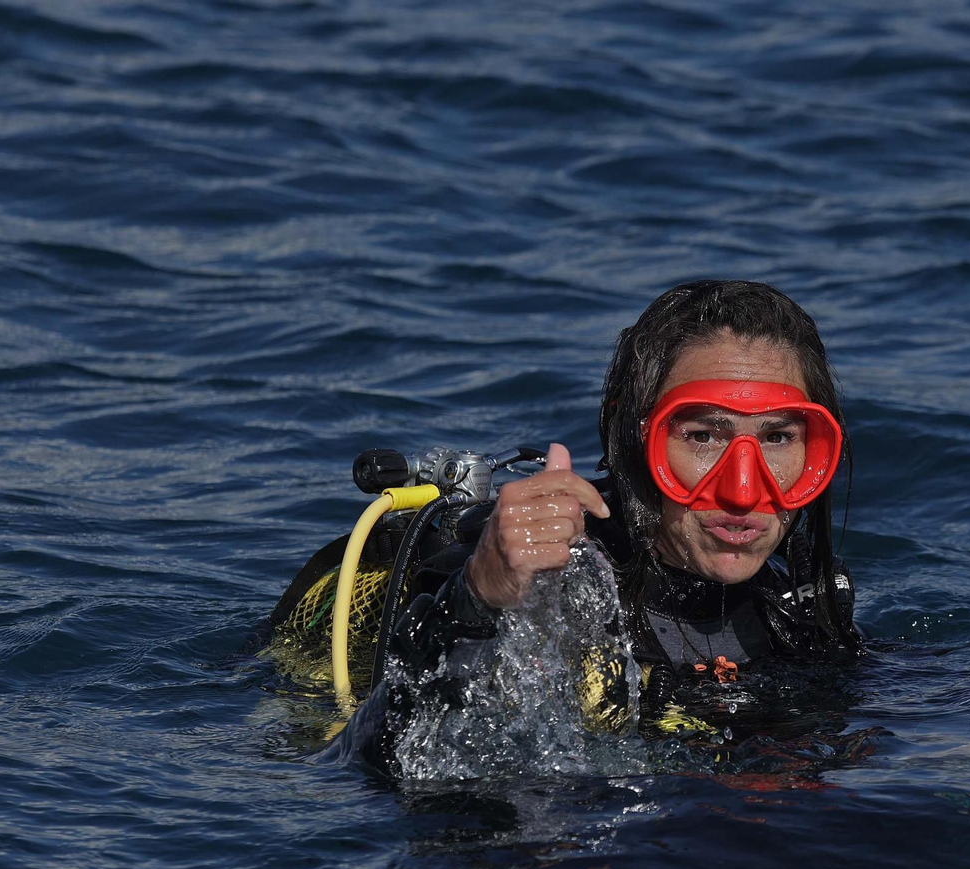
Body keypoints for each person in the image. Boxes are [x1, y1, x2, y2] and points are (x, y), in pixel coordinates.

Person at [333, 280, 863, 771]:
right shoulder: (554, 591)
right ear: (633, 442)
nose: (743, 492)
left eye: (777, 438)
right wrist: (478, 599)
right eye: (703, 436)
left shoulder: (797, 611)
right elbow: (379, 763)